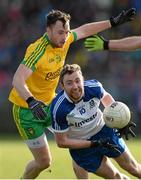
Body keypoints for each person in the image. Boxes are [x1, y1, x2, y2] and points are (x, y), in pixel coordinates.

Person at [8, 8, 136, 179]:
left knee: (78, 138)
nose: (65, 36)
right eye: (60, 32)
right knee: (44, 162)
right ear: (48, 30)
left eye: (67, 31)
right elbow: (17, 80)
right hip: (27, 109)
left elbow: (84, 29)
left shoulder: (65, 39)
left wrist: (112, 22)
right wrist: (31, 101)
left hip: (50, 104)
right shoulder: (37, 51)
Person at [50, 64, 141, 179]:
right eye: (69, 83)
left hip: (105, 131)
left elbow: (106, 98)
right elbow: (61, 142)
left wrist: (120, 122)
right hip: (82, 147)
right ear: (62, 86)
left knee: (133, 168)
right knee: (115, 177)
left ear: (83, 79)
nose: (75, 86)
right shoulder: (59, 108)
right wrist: (93, 143)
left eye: (77, 81)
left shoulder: (94, 87)